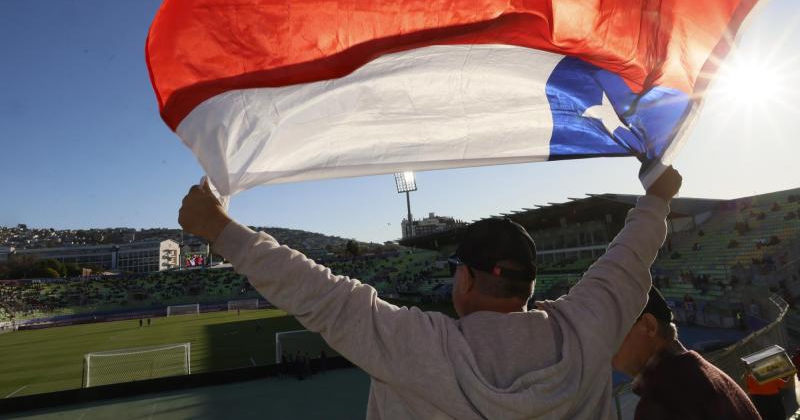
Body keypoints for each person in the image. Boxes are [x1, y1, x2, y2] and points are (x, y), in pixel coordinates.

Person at [179, 166, 681, 419]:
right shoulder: (586, 330)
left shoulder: (420, 348)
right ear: (529, 286)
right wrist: (657, 196)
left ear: (464, 280)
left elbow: (321, 294)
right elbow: (630, 259)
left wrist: (221, 229)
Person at [612, 286, 760, 419]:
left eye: (610, 331)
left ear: (650, 326)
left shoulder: (663, 402)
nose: (602, 345)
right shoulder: (706, 377)